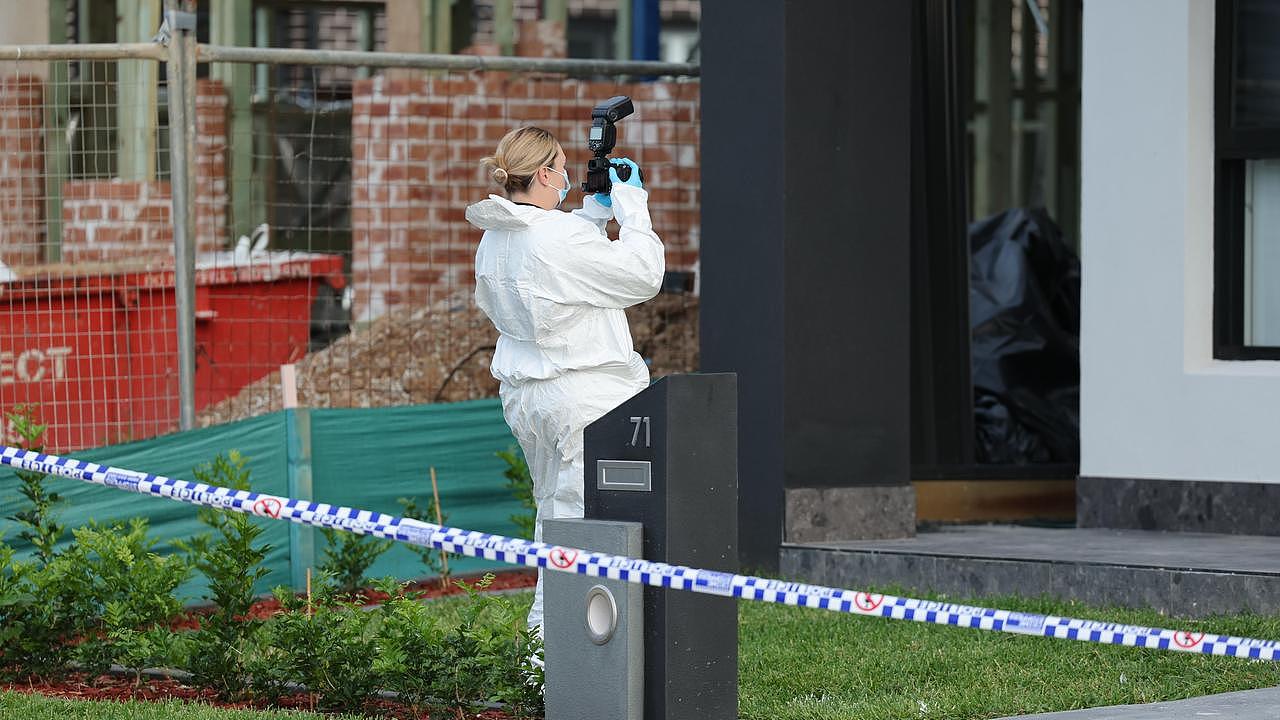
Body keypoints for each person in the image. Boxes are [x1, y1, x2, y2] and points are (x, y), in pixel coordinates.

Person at [466, 126, 664, 641]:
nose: (569, 175)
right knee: (579, 534)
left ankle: (549, 663)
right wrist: (631, 205)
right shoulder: (557, 238)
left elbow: (560, 265)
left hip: (530, 399)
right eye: (562, 165)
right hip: (584, 401)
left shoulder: (495, 238)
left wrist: (593, 215)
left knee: (553, 520)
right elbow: (643, 274)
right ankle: (550, 666)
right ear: (547, 173)